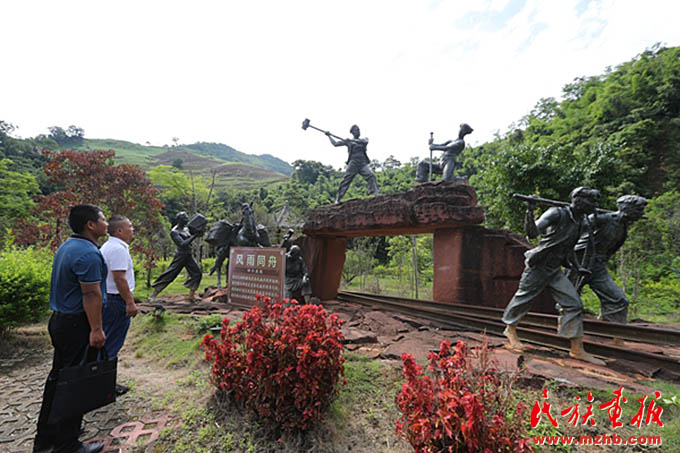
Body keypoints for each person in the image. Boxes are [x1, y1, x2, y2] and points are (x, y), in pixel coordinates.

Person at [502, 187, 605, 366]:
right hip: (539, 265)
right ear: (579, 200)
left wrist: (577, 267)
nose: (595, 206)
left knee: (573, 304)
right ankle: (510, 330)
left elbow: (569, 247)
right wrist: (530, 210)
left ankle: (576, 348)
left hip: (555, 269)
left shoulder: (581, 221)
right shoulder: (556, 213)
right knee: (524, 299)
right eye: (592, 201)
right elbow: (532, 233)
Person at [34, 204, 108, 453]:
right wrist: (96, 329)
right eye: (103, 219)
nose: (106, 223)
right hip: (78, 324)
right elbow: (91, 293)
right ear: (91, 225)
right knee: (74, 385)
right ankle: (67, 445)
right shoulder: (87, 253)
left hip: (61, 321)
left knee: (58, 380)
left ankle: (46, 437)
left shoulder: (68, 246)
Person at [569, 195, 648, 328]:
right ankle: (565, 331)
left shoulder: (623, 227)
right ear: (627, 208)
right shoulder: (604, 219)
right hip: (580, 261)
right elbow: (575, 230)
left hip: (598, 266)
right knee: (569, 298)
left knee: (618, 300)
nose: (641, 214)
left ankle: (612, 333)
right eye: (638, 210)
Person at [100, 215, 138, 395]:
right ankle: (106, 386)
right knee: (112, 343)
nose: (133, 230)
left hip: (109, 299)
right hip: (116, 301)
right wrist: (129, 302)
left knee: (108, 341)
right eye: (130, 226)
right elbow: (119, 278)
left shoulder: (109, 246)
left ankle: (103, 382)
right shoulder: (117, 249)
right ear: (119, 231)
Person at [150, 211, 202, 301]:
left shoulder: (186, 229)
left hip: (189, 255)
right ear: (178, 220)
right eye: (184, 219)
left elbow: (191, 237)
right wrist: (195, 236)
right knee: (170, 274)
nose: (186, 220)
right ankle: (154, 295)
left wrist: (199, 232)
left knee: (197, 273)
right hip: (181, 256)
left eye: (186, 218)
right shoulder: (174, 232)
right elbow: (182, 244)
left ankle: (191, 295)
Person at [326, 125, 379, 203]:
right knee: (346, 180)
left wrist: (352, 141)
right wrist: (329, 136)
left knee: (371, 175)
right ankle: (338, 198)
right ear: (352, 132)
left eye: (359, 130)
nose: (358, 131)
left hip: (362, 163)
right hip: (353, 163)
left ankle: (375, 193)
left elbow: (365, 141)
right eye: (356, 130)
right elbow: (335, 144)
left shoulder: (363, 140)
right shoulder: (348, 141)